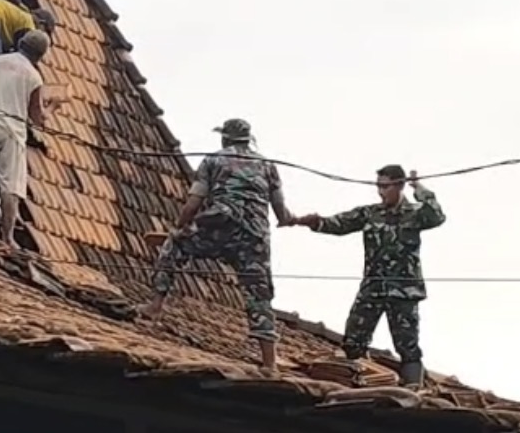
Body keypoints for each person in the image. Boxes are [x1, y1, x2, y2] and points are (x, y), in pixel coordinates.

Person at [141, 118, 296, 374]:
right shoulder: (268, 166)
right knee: (258, 292)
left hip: (219, 227)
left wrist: (179, 229)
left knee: (175, 246)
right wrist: (293, 220)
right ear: (248, 139)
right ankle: (270, 362)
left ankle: (154, 306)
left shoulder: (213, 160)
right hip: (254, 237)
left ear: (225, 138)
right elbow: (281, 212)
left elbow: (193, 204)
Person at [298, 164, 445, 385]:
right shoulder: (370, 213)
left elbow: (437, 215)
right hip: (372, 289)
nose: (380, 192)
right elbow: (339, 224)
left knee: (408, 347)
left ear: (399, 185)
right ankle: (354, 381)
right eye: (378, 187)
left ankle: (413, 389)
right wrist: (314, 222)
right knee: (353, 341)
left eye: (385, 187)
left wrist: (418, 187)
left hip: (403, 291)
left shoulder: (415, 214)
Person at [0, 29, 51, 250]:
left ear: (21, 43)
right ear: (40, 56)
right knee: (11, 185)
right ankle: (7, 237)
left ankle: (11, 215)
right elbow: (37, 117)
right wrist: (51, 109)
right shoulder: (33, 77)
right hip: (9, 133)